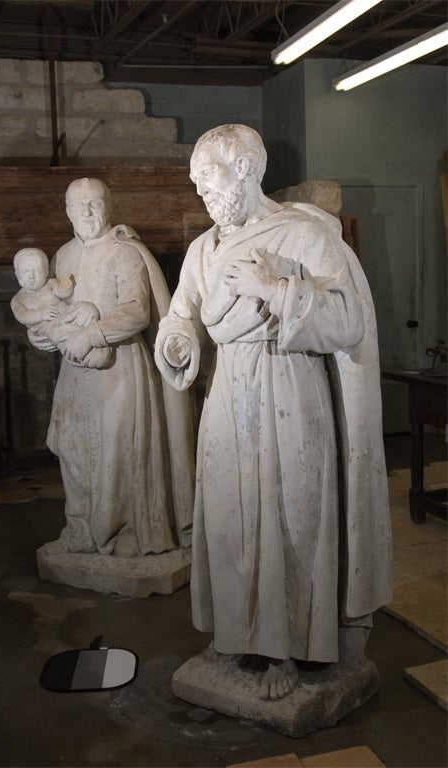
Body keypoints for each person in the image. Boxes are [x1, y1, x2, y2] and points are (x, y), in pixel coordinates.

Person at [155, 125, 392, 700]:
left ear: (247, 169)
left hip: (290, 391)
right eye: (195, 182)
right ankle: (238, 635)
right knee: (231, 517)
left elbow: (346, 323)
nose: (201, 193)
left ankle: (289, 649)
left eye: (207, 178)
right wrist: (179, 340)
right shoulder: (202, 249)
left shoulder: (305, 238)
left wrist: (275, 287)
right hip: (229, 392)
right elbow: (181, 312)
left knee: (292, 515)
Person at [28, 177, 194, 557]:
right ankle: (82, 527)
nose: (86, 212)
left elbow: (137, 310)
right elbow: (50, 308)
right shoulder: (63, 256)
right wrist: (40, 335)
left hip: (119, 366)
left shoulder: (125, 252)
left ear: (109, 206)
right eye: (77, 205)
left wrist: (94, 334)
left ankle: (126, 531)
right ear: (66, 210)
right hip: (75, 367)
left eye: (95, 203)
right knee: (72, 445)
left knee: (119, 451)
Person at [11, 247, 112, 368]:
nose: (31, 276)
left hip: (66, 314)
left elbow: (64, 293)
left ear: (46, 271)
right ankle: (79, 356)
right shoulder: (19, 299)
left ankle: (88, 337)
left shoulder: (51, 284)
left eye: (37, 270)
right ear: (17, 274)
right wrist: (40, 314)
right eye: (25, 271)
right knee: (57, 333)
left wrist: (66, 281)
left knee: (86, 309)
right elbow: (22, 316)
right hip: (47, 326)